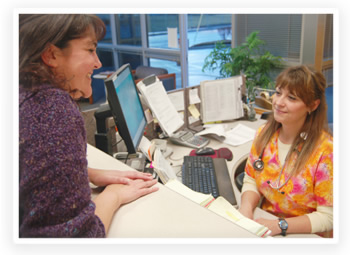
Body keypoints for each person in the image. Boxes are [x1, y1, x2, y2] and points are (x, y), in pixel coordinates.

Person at [19, 14, 159, 237]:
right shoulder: (51, 111)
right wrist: (113, 195)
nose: (98, 63)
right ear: (51, 55)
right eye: (90, 50)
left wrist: (86, 173)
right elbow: (75, 241)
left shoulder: (23, 96)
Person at [239, 65, 333, 237]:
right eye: (278, 92)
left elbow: (328, 217)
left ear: (312, 105)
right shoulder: (264, 134)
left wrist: (279, 225)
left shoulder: (326, 151)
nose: (278, 102)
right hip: (264, 225)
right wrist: (245, 211)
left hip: (304, 235)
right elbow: (251, 177)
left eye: (291, 98)